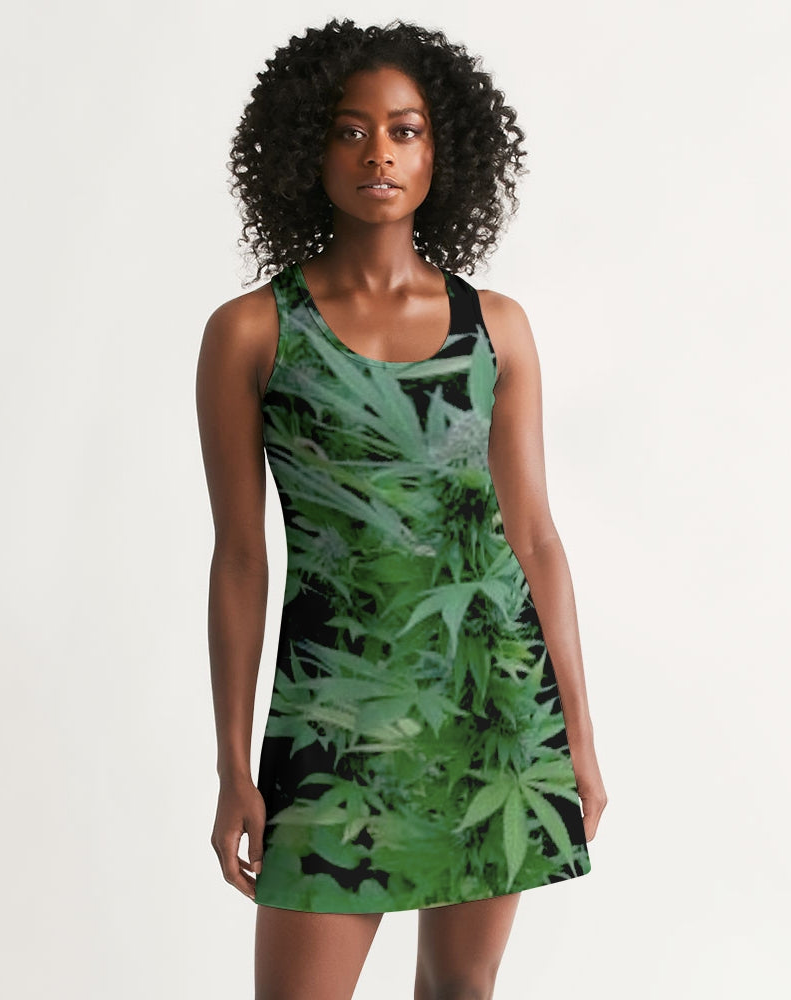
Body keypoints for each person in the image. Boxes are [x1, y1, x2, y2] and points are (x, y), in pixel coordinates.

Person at [196, 17, 607, 1000]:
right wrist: (232, 766)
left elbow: (534, 539)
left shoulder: (495, 328)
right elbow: (240, 558)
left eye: (405, 130)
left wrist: (578, 742)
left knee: (460, 991)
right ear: (304, 149)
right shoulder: (252, 332)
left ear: (441, 151)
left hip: (490, 709)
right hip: (334, 720)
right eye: (349, 130)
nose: (377, 152)